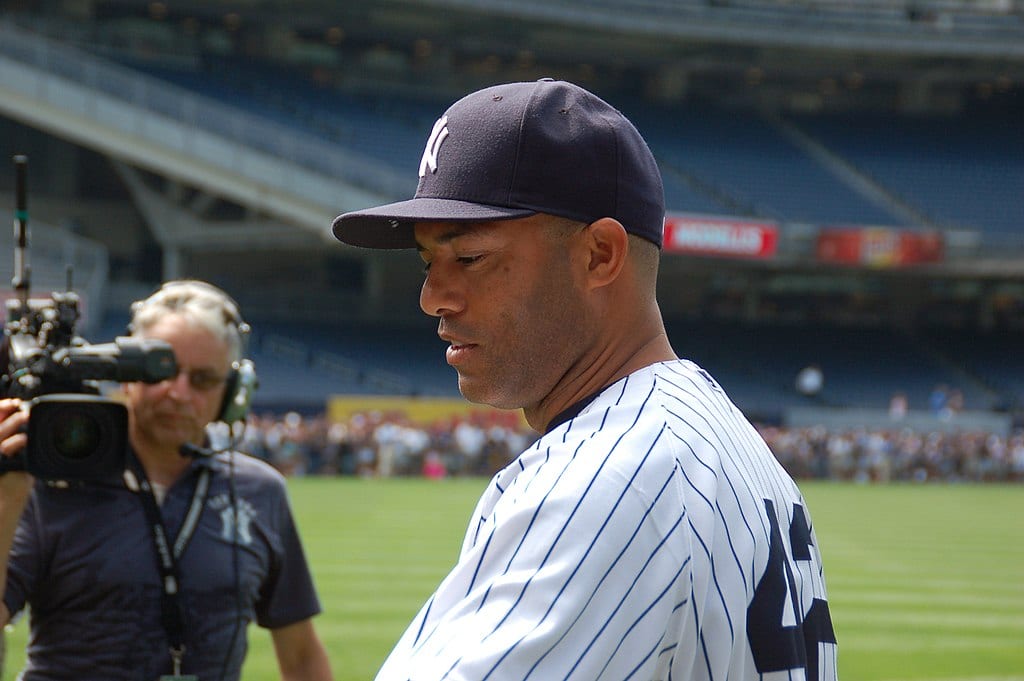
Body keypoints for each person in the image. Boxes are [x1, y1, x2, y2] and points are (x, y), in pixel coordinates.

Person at [332, 79, 837, 680]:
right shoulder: (711, 435)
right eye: (427, 264)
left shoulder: (613, 476)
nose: (432, 298)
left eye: (469, 258)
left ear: (600, 255)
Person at [0, 280, 333, 680]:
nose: (178, 392)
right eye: (161, 370)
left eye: (203, 379)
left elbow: (301, 657)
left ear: (233, 393)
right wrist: (7, 499)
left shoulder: (260, 491)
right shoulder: (50, 482)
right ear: (125, 374)